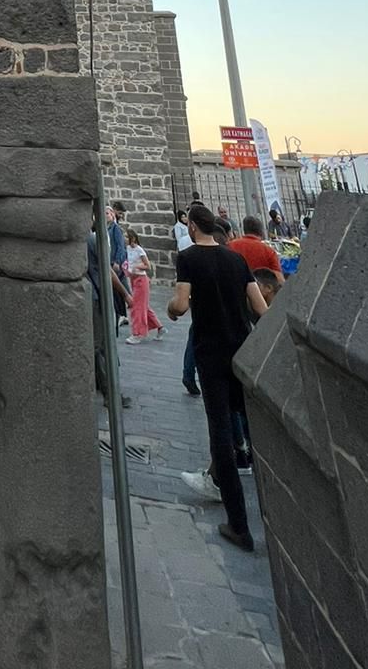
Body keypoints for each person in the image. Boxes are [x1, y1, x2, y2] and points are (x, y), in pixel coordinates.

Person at [168, 201, 268, 553]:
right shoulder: (235, 259)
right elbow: (261, 308)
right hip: (240, 350)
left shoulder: (189, 258)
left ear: (193, 226)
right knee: (254, 427)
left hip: (210, 353)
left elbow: (180, 306)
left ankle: (239, 525)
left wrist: (172, 308)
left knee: (221, 434)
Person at [86, 216, 132, 406]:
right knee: (101, 346)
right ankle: (110, 393)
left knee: (99, 345)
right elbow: (107, 271)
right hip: (96, 297)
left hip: (89, 295)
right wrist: (125, 294)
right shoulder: (92, 239)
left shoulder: (84, 239)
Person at [124, 229, 163, 344]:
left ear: (133, 238)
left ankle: (138, 333)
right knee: (143, 306)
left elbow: (147, 265)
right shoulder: (127, 249)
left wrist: (137, 266)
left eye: (127, 237)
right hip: (133, 279)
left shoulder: (139, 250)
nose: (124, 239)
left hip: (141, 280)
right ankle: (159, 327)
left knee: (137, 307)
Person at [229, 216, 284, 282]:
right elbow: (279, 280)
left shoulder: (230, 246)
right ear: (260, 230)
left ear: (244, 229)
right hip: (261, 290)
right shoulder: (268, 251)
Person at [108, 203, 129, 329]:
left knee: (118, 290)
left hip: (116, 265)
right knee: (119, 290)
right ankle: (122, 314)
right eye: (120, 213)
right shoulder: (110, 228)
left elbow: (120, 247)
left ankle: (122, 314)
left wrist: (117, 261)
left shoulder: (115, 228)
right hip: (114, 263)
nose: (121, 216)